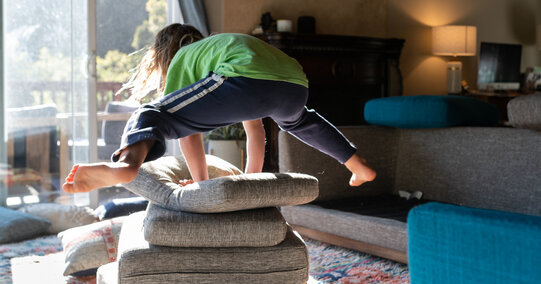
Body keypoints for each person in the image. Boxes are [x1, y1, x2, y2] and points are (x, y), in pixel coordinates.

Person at [62, 23, 376, 193]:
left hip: (244, 76)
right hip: (294, 81)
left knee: (150, 114)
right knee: (301, 122)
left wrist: (199, 184)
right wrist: (252, 180)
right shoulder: (217, 48)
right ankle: (357, 164)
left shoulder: (184, 61)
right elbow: (255, 131)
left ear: (164, 56)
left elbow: (187, 133)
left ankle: (123, 166)